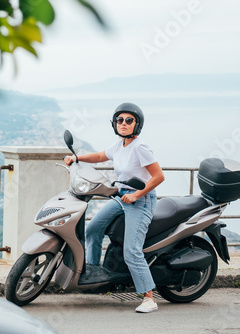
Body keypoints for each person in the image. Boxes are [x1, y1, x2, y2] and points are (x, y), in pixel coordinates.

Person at [64, 102, 165, 313]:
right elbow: (101, 156)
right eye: (120, 120)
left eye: (129, 120)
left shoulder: (141, 148)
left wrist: (137, 194)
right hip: (121, 196)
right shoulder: (120, 145)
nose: (124, 124)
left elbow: (158, 177)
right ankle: (93, 273)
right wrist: (77, 158)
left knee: (131, 251)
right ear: (114, 124)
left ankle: (149, 298)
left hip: (141, 200)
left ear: (137, 124)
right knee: (92, 229)